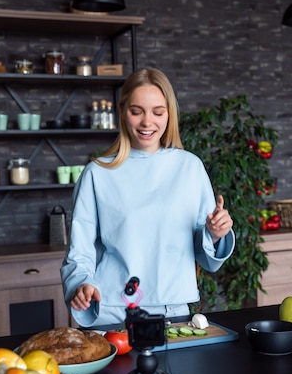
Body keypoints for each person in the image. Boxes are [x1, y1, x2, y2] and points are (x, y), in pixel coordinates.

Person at [61, 68, 235, 327]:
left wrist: (215, 232)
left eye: (157, 112)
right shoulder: (97, 173)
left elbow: (205, 254)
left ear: (169, 114)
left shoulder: (190, 168)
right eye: (136, 111)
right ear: (122, 111)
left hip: (174, 309)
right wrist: (80, 284)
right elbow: (81, 250)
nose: (147, 122)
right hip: (112, 309)